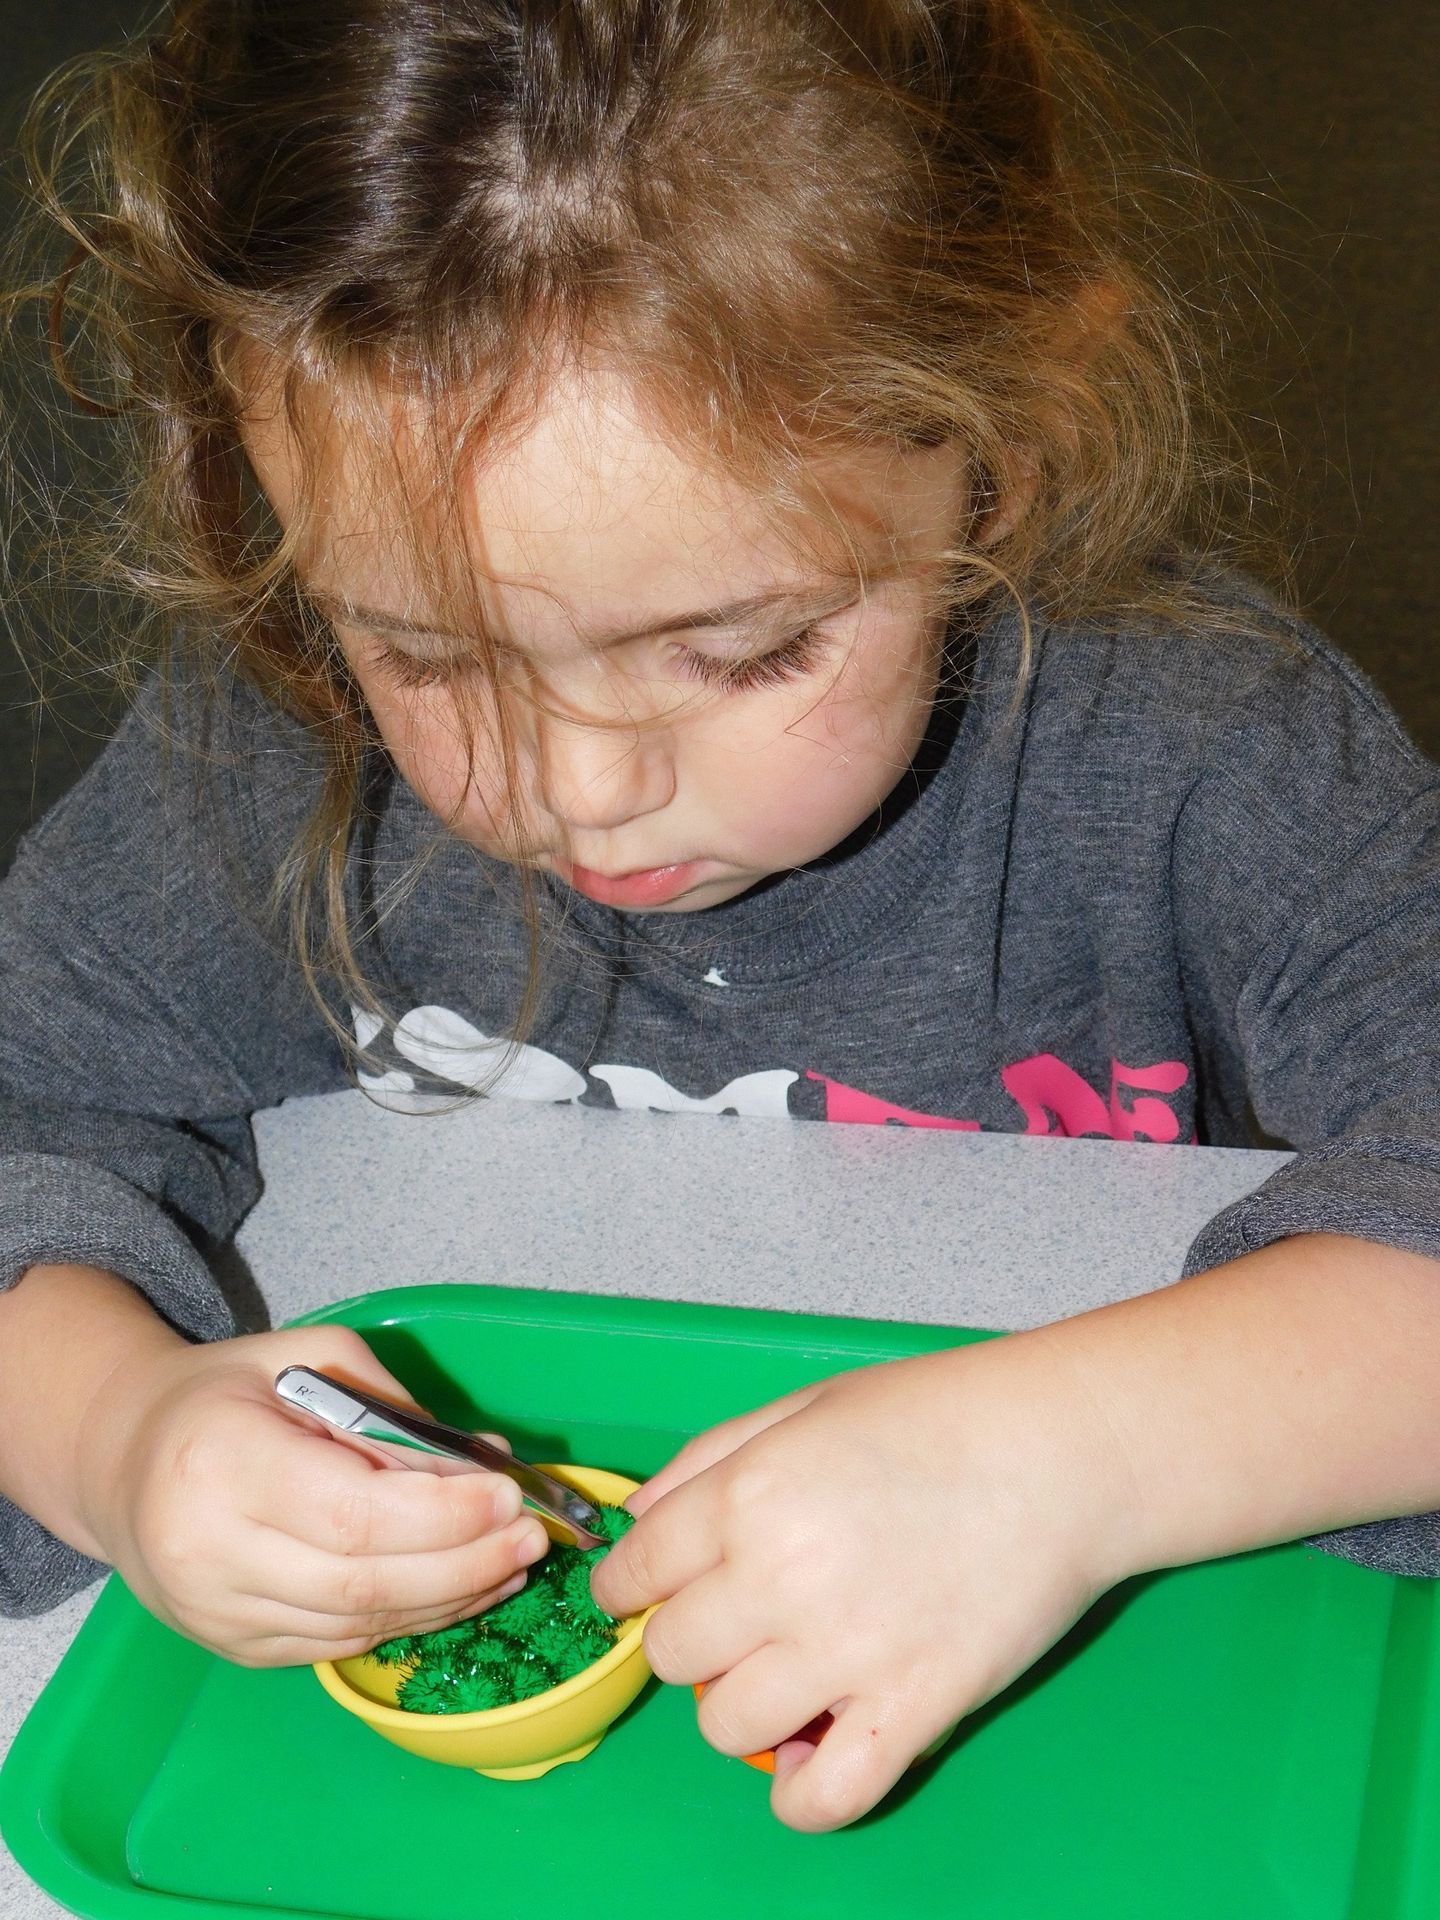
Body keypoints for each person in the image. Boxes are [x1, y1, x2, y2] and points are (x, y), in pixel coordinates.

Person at [1, 0, 1437, 1834]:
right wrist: (108, 1431)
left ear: (1003, 440)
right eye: (421, 651)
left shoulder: (1204, 733)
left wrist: (1077, 1461)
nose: (580, 789)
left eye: (746, 648)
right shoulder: (256, 747)